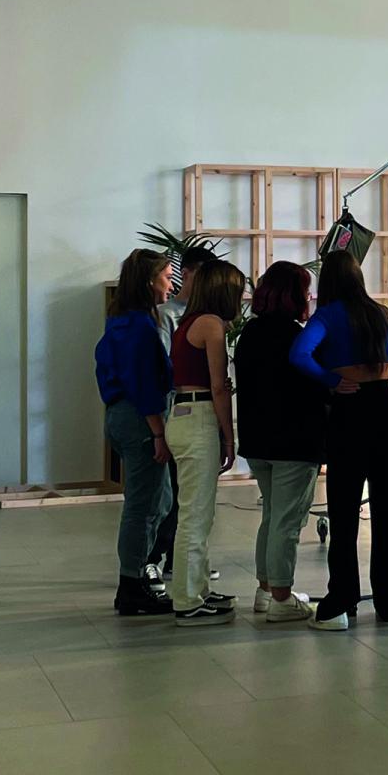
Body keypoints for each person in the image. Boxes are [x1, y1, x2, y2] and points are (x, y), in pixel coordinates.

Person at [289, 250, 388, 631]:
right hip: (385, 403)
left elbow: (299, 354)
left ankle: (342, 599)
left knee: (343, 505)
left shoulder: (327, 316)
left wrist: (331, 379)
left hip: (350, 405)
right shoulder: (382, 313)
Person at [236, 261, 324, 623]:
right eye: (306, 291)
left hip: (257, 438)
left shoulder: (249, 333)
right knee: (288, 522)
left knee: (272, 516)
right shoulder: (297, 338)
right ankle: (283, 598)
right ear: (295, 296)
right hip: (294, 440)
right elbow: (315, 387)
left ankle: (265, 590)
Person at [95, 249, 175, 616]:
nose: (171, 284)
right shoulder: (140, 327)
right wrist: (158, 433)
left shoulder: (121, 320)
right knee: (143, 507)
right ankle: (131, 584)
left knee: (160, 500)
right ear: (149, 281)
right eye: (167, 277)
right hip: (141, 419)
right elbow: (143, 384)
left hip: (125, 415)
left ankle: (139, 573)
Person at [167, 259, 244, 624]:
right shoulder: (212, 324)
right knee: (195, 516)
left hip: (182, 414)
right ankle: (186, 599)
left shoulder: (188, 323)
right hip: (199, 417)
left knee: (197, 512)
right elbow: (218, 386)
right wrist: (229, 436)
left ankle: (198, 588)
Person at [146, 244, 219, 591]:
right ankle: (153, 558)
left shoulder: (208, 317)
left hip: (198, 409)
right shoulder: (167, 315)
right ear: (186, 275)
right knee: (172, 494)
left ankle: (180, 560)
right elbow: (164, 368)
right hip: (176, 408)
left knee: (188, 494)